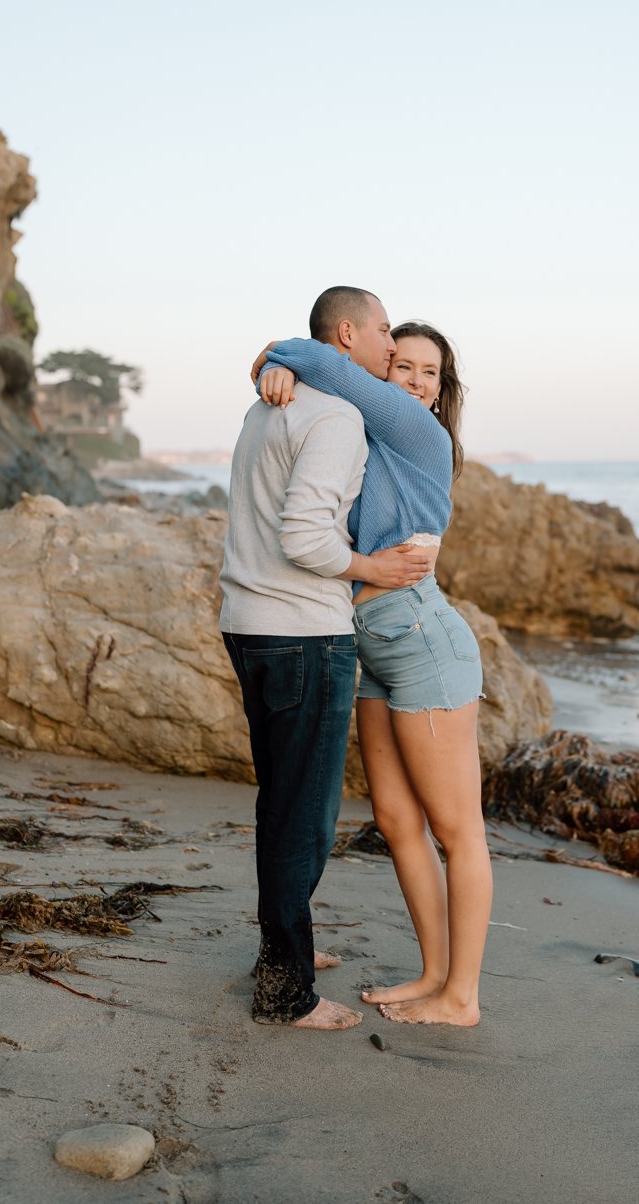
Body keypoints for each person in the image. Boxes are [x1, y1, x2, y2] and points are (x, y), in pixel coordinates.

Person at [251, 295, 492, 1028]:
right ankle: (432, 974)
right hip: (373, 648)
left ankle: (463, 997)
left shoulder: (415, 430)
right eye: (404, 363)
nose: (416, 381)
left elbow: (323, 355)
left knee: (458, 832)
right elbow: (329, 373)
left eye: (430, 373)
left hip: (421, 641)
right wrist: (280, 372)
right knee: (395, 819)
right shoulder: (363, 432)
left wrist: (270, 358)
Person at [221, 285, 433, 1030]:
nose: (389, 346)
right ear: (346, 335)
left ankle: (284, 950)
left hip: (249, 624)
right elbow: (306, 539)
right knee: (302, 814)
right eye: (381, 333)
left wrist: (272, 365)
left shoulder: (270, 404)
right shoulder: (338, 416)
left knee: (283, 800)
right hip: (304, 634)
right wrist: (373, 571)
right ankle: (286, 992)